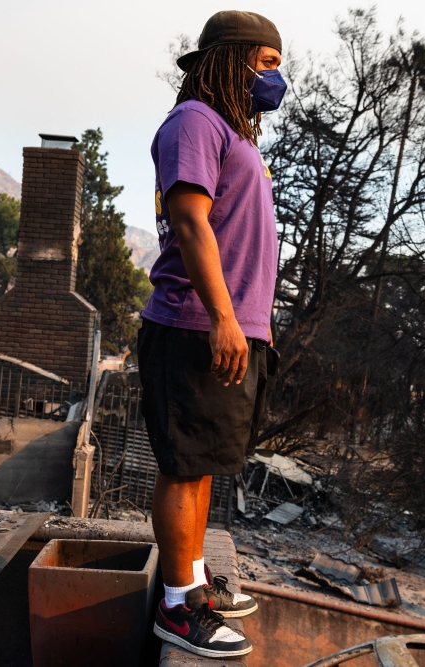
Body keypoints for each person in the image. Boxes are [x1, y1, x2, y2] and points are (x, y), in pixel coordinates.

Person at [137, 9, 286, 659]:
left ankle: (192, 586)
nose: (275, 78)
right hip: (194, 324)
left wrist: (252, 321)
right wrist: (225, 315)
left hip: (232, 326)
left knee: (199, 467)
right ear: (229, 60)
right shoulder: (194, 122)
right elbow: (192, 224)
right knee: (181, 465)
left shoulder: (230, 131)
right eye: (267, 62)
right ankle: (177, 606)